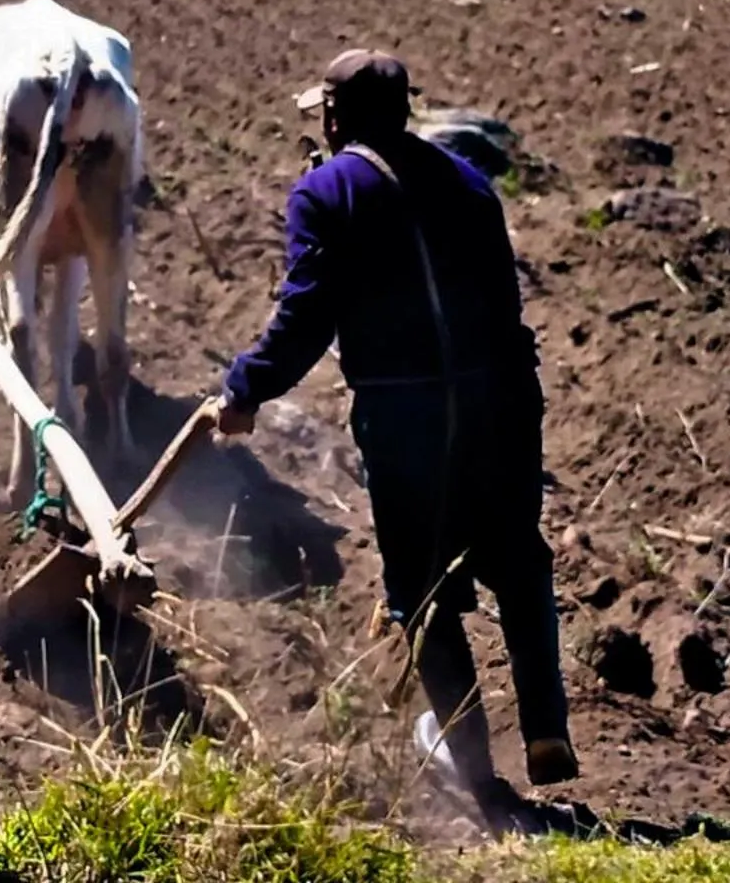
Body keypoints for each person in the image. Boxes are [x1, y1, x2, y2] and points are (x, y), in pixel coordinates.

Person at [215, 50, 580, 831]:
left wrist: (246, 388)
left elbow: (306, 313)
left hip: (405, 412)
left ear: (333, 117)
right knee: (518, 559)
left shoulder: (326, 190)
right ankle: (547, 727)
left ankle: (468, 760)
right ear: (407, 110)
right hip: (503, 399)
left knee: (423, 588)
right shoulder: (471, 182)